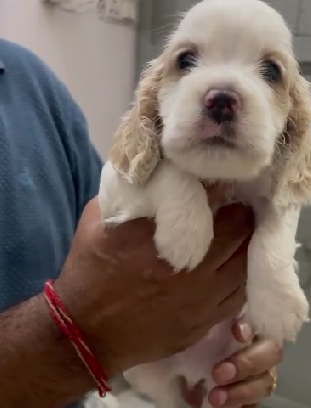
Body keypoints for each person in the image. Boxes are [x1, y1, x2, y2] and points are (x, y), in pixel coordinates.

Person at [0, 38, 282, 408]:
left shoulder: (31, 82)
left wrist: (228, 340)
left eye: (269, 72)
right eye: (187, 61)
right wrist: (84, 335)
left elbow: (120, 229)